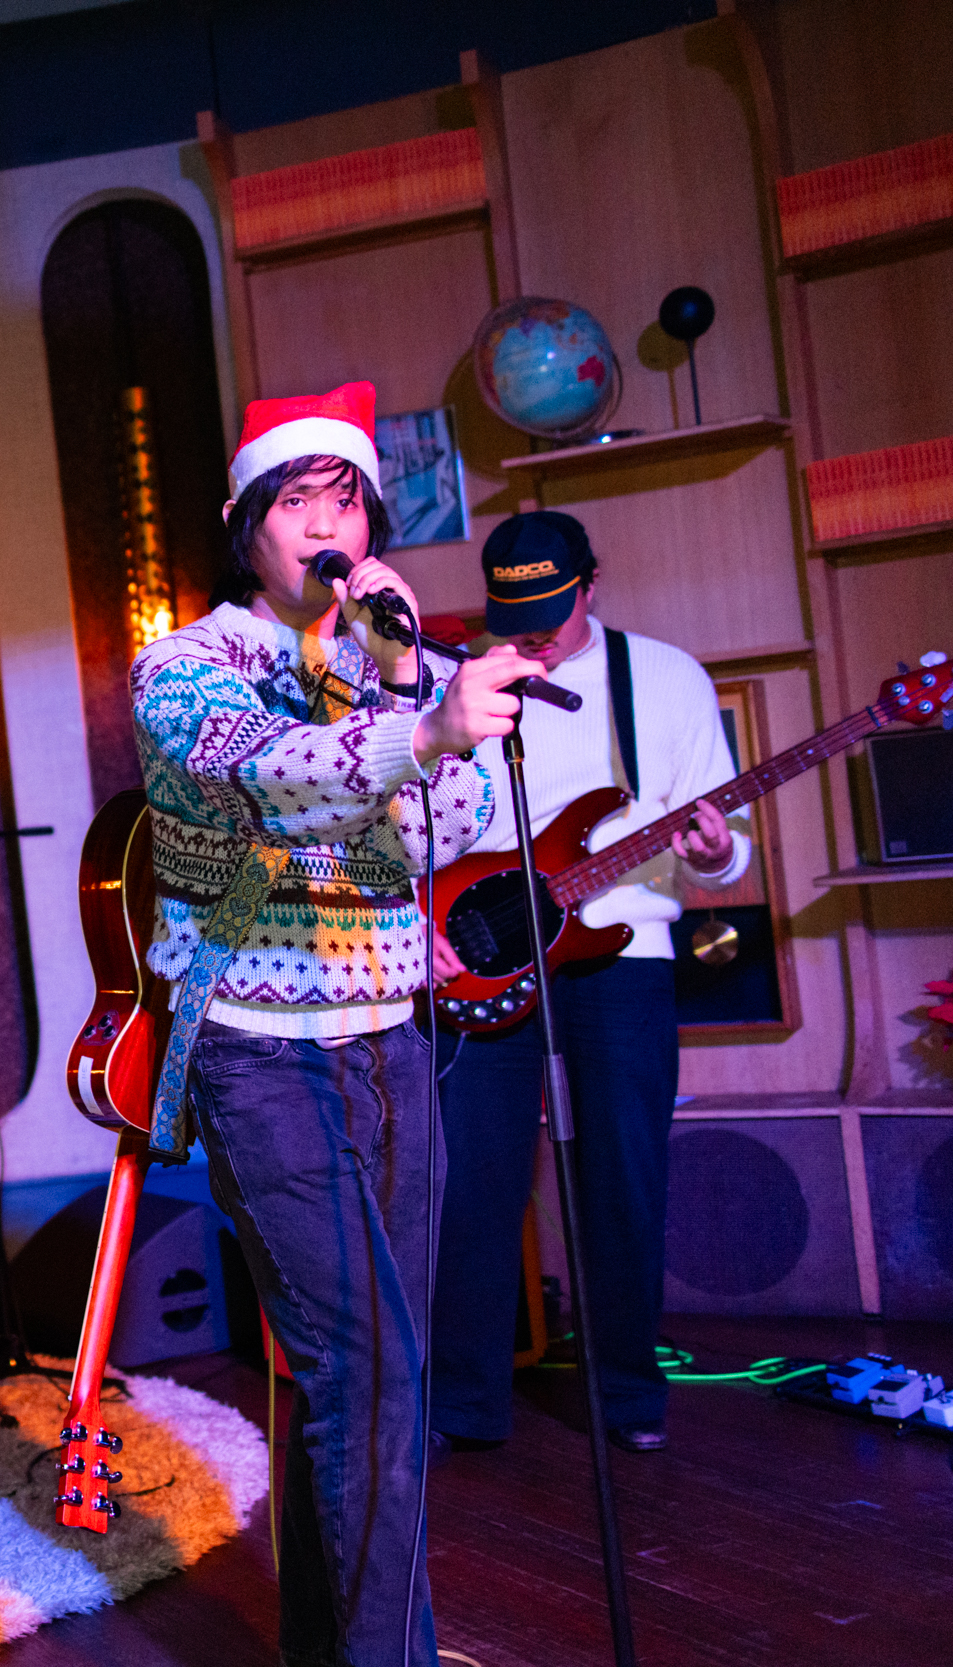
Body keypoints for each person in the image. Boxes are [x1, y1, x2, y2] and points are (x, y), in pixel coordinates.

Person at [132, 381, 543, 1666]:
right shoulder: (184, 666)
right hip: (258, 1047)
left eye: (347, 501)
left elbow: (449, 826)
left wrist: (411, 677)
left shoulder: (384, 662)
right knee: (366, 1370)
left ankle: (337, 1646)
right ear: (245, 523)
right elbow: (269, 778)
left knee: (376, 1380)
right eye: (298, 501)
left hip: (392, 1039)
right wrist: (419, 725)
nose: (327, 525)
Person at [428, 510, 747, 1456]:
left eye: (553, 612)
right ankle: (464, 1401)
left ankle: (627, 1394)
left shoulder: (666, 678)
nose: (535, 634)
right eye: (516, 616)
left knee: (623, 1176)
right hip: (482, 952)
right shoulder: (455, 684)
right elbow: (416, 828)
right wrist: (423, 920)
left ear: (591, 584)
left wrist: (716, 852)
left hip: (623, 953)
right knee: (471, 1181)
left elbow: (724, 853)